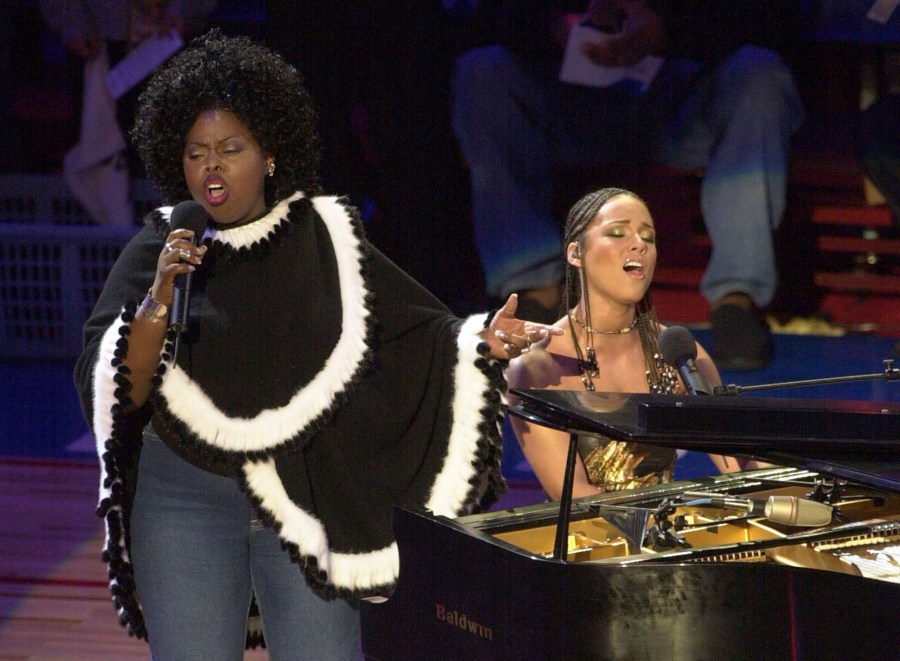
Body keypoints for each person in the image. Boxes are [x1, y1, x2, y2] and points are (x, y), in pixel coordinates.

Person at [73, 30, 559, 658]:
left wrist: (482, 340)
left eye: (230, 149)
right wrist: (160, 295)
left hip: (308, 495)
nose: (211, 166)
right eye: (196, 153)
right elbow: (118, 387)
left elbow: (416, 335)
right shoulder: (162, 245)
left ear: (270, 156)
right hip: (183, 500)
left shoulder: (325, 235)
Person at [452, 0, 805, 369]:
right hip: (561, 104)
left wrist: (666, 28)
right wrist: (554, 26)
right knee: (480, 69)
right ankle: (535, 288)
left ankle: (737, 298)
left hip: (680, 103)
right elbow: (479, 19)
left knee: (760, 71)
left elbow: (774, 20)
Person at [506, 188, 756, 500]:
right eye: (617, 233)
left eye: (648, 237)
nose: (639, 244)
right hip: (588, 529)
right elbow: (572, 494)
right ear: (576, 253)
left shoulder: (677, 353)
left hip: (669, 525)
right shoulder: (538, 367)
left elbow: (740, 467)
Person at [40, 0, 219, 225]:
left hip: (172, 41)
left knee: (176, 160)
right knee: (99, 154)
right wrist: (73, 23)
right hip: (100, 45)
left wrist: (185, 9)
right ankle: (108, 234)